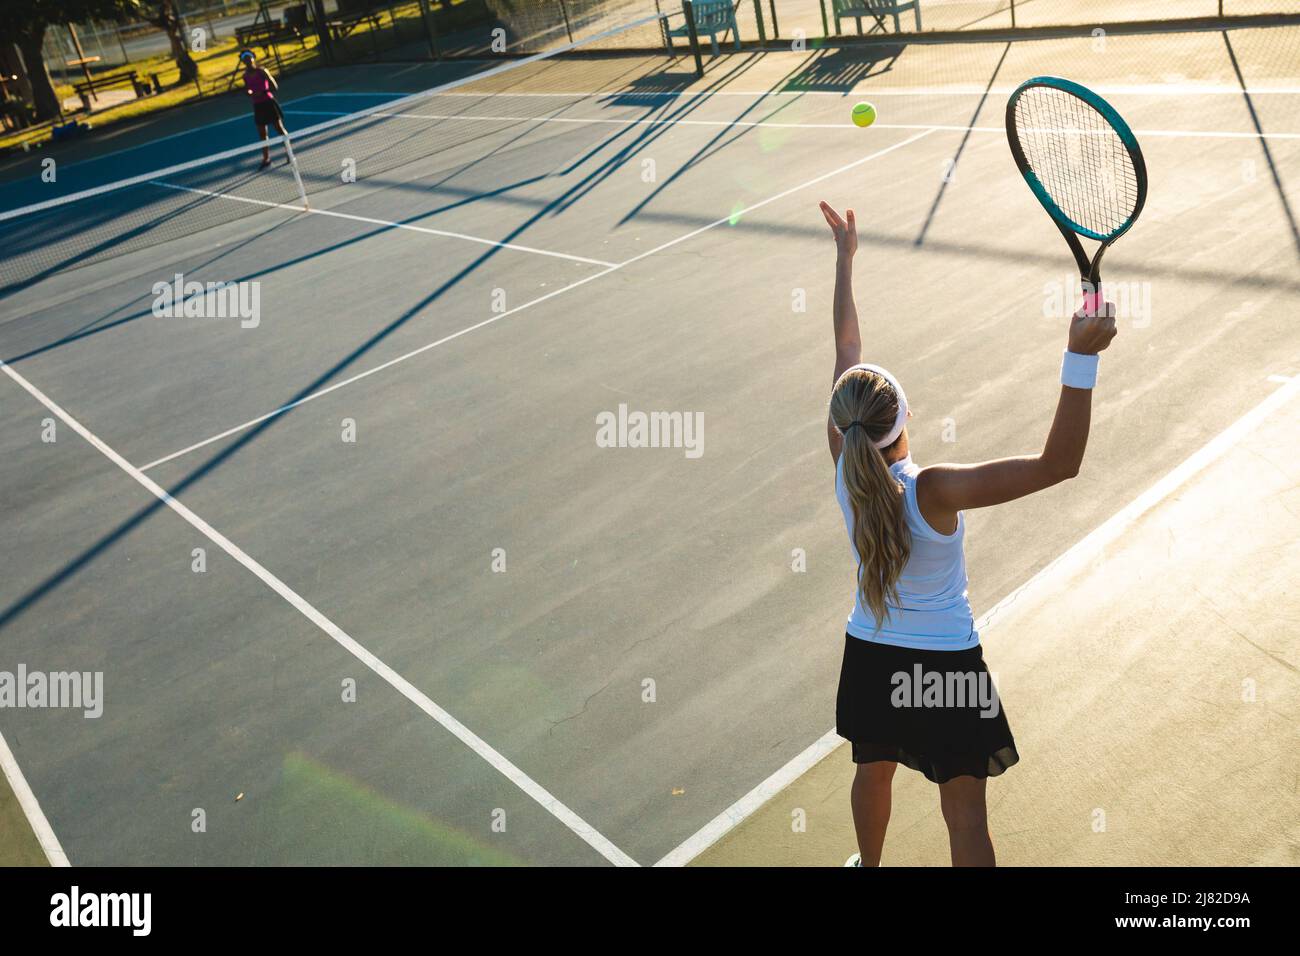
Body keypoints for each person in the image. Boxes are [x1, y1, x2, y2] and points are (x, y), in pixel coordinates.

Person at [819, 200, 1117, 867]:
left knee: (872, 772)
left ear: (848, 426)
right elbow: (1057, 465)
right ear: (907, 416)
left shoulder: (844, 466)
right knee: (965, 820)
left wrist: (843, 263)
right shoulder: (938, 489)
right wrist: (1079, 356)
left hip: (870, 656)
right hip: (947, 667)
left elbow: (845, 352)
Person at [240, 50, 287, 169]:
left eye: (249, 58)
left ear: (253, 58)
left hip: (269, 103)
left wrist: (262, 92)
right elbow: (247, 90)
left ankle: (289, 153)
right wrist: (249, 93)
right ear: (243, 62)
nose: (247, 60)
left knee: (279, 129)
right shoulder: (245, 76)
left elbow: (274, 86)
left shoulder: (262, 71)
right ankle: (266, 159)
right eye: (245, 59)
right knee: (262, 133)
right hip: (258, 106)